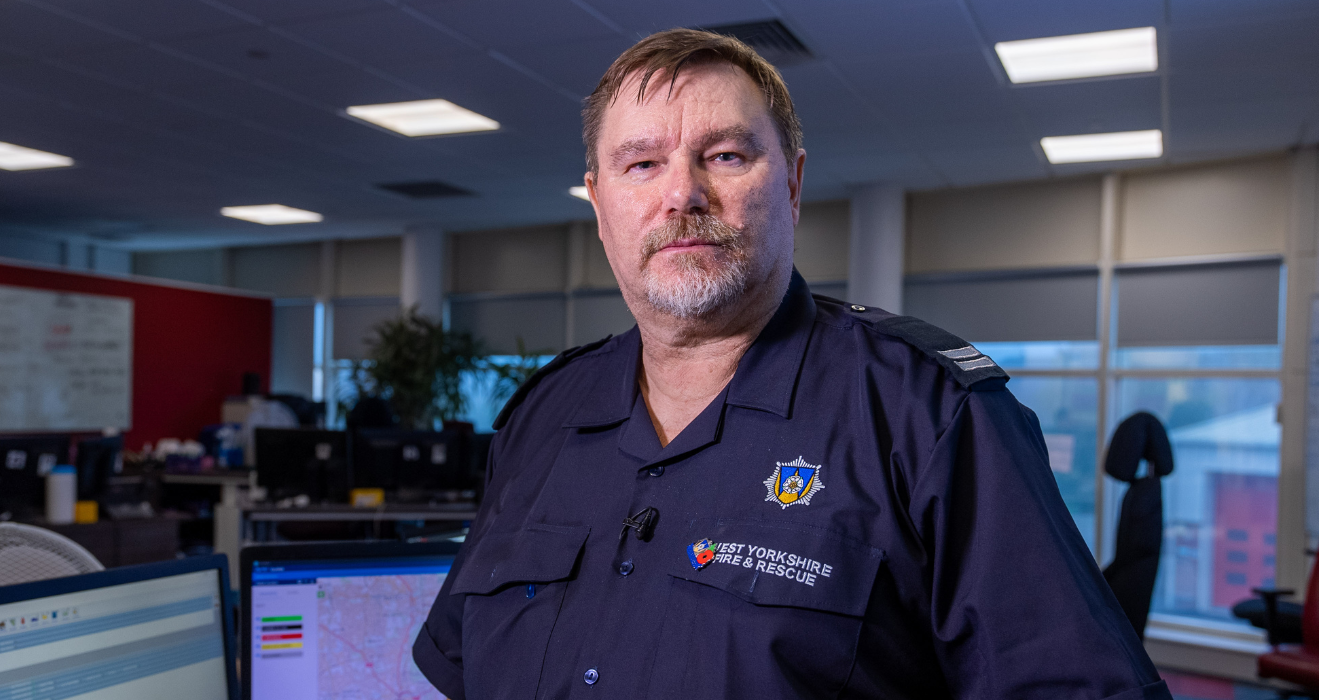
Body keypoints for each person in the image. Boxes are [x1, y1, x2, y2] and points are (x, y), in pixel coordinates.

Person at [413, 29, 1170, 700]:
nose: (683, 192)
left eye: (726, 155)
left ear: (793, 184)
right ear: (599, 204)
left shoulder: (928, 417)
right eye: (641, 163)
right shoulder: (542, 418)